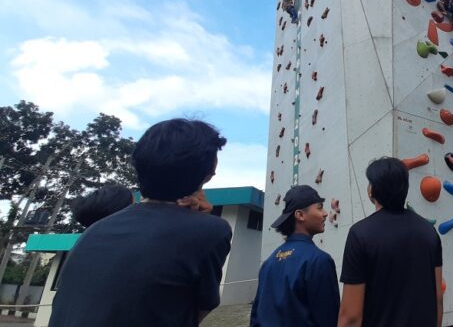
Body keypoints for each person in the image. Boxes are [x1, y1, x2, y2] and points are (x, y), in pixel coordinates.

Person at [50, 119, 232, 327]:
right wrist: (200, 221)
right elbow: (199, 309)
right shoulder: (212, 231)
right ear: (207, 175)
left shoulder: (94, 230)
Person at [338, 157, 443, 327]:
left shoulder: (360, 234)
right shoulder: (429, 232)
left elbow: (351, 317)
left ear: (372, 191)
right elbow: (437, 298)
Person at [249, 185, 339, 327]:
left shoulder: (269, 262)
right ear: (300, 215)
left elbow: (256, 317)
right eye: (320, 208)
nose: (325, 213)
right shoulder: (319, 260)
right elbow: (329, 319)